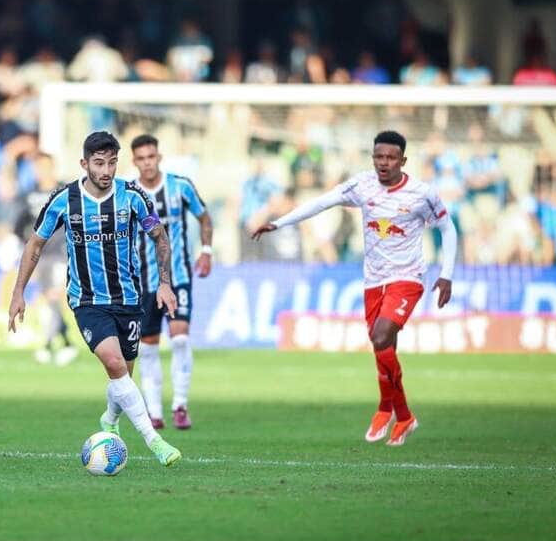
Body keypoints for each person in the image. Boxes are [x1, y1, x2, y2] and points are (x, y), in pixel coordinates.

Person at [253, 131, 457, 447]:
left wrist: (446, 274)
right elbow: (322, 202)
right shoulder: (362, 185)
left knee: (380, 335)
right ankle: (386, 408)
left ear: (403, 160)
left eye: (390, 158)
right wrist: (280, 223)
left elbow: (448, 227)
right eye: (378, 157)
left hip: (408, 278)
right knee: (382, 347)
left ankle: (402, 415)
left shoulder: (422, 193)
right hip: (373, 280)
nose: (383, 163)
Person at [8, 131, 182, 467]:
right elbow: (35, 245)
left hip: (130, 299)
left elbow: (160, 238)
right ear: (84, 163)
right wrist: (18, 292)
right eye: (99, 163)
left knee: (122, 378)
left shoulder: (133, 196)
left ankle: (109, 420)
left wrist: (164, 284)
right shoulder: (64, 199)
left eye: (112, 162)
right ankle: (155, 441)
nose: (106, 170)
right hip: (87, 300)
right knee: (115, 366)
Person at [129, 135, 212, 430]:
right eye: (141, 158)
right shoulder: (130, 193)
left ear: (159, 157)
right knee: (148, 346)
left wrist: (206, 251)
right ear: (134, 161)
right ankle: (154, 412)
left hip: (178, 276)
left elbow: (204, 218)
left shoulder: (181, 186)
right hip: (143, 282)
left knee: (179, 338)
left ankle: (179, 404)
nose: (147, 162)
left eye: (151, 156)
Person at [13, 153, 77, 366]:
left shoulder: (65, 191)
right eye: (38, 167)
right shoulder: (29, 195)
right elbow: (19, 223)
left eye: (46, 167)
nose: (43, 171)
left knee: (53, 296)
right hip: (40, 255)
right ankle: (67, 342)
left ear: (53, 167)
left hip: (62, 252)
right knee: (50, 298)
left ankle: (48, 344)